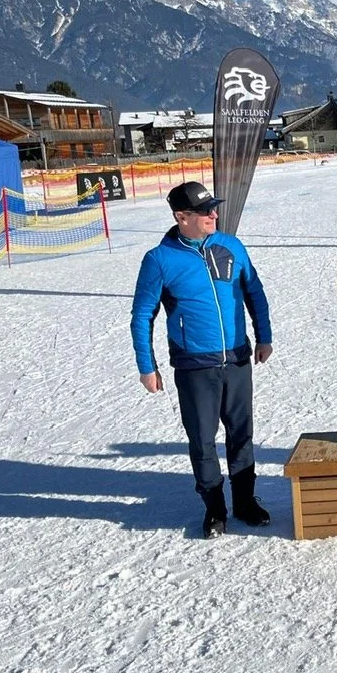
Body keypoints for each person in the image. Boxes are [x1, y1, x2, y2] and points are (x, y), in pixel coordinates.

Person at [130, 181, 273, 539]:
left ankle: (245, 501)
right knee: (203, 440)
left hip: (237, 359)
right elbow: (142, 315)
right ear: (182, 217)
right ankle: (214, 509)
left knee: (241, 435)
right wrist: (147, 366)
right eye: (205, 210)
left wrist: (264, 336)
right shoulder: (159, 260)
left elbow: (254, 291)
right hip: (195, 365)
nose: (214, 214)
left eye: (213, 208)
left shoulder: (231, 246)